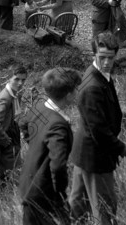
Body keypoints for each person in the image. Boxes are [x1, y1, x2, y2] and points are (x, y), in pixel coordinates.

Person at [69, 32, 126, 225]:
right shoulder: (93, 86)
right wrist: (120, 148)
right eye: (101, 57)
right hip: (96, 155)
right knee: (105, 207)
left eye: (110, 58)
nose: (106, 63)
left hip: (84, 152)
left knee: (79, 205)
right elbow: (99, 130)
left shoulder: (100, 75)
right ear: (93, 54)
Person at [18, 67, 82, 225]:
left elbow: (23, 123)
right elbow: (58, 166)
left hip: (29, 183)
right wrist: (60, 197)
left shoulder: (39, 108)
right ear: (69, 95)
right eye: (76, 89)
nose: (77, 92)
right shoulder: (58, 126)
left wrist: (35, 145)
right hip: (41, 194)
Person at [0, 66, 28, 191]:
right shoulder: (5, 98)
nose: (20, 83)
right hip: (5, 138)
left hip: (11, 132)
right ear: (8, 79)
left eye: (23, 80)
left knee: (11, 168)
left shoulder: (14, 94)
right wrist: (4, 139)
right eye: (17, 79)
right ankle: (2, 195)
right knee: (5, 170)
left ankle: (6, 193)